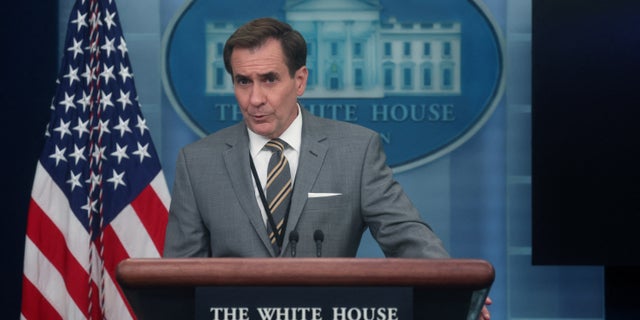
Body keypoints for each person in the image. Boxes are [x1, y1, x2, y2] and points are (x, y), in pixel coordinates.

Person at [163, 17, 490, 319]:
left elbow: (406, 236)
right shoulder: (197, 162)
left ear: (300, 80)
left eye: (269, 79)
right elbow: (177, 280)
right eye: (243, 81)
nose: (255, 98)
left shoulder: (356, 151)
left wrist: (455, 291)